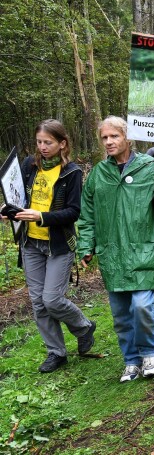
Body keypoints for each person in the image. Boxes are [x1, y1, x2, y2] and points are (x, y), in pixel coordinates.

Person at [78, 116, 154, 382]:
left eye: (114, 136)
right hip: (113, 253)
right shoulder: (99, 174)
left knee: (142, 306)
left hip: (144, 249)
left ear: (128, 137)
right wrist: (86, 245)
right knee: (122, 314)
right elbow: (87, 214)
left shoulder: (151, 167)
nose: (109, 142)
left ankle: (149, 353)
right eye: (105, 138)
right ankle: (131, 360)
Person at [4, 120, 96, 373]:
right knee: (38, 302)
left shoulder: (72, 173)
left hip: (58, 245)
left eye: (49, 142)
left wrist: (41, 217)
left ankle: (83, 326)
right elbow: (18, 199)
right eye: (39, 142)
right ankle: (56, 352)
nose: (43, 147)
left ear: (62, 144)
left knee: (52, 299)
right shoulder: (28, 166)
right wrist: (10, 212)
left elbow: (73, 212)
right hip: (30, 243)